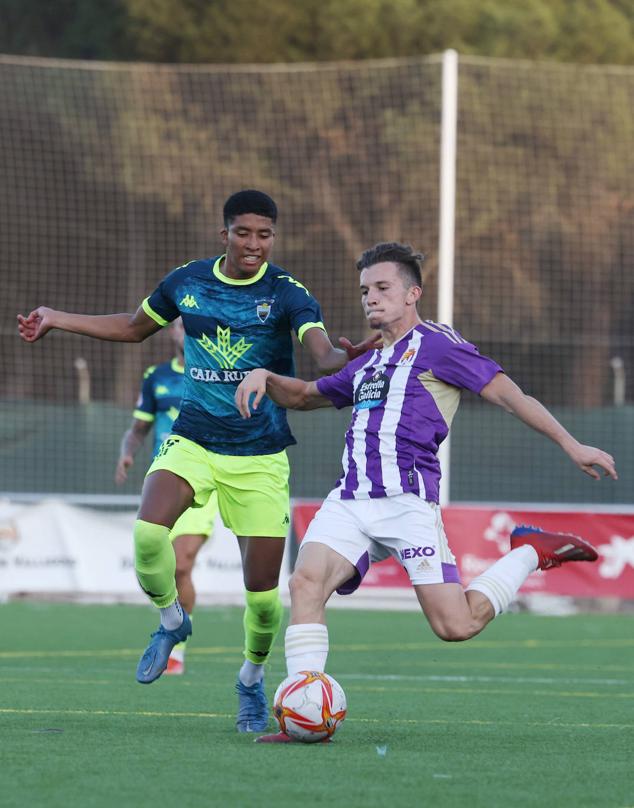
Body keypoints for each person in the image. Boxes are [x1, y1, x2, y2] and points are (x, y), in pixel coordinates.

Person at [17, 189, 378, 733]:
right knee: (146, 536)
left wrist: (344, 358)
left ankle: (252, 681)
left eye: (264, 234)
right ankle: (170, 621)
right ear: (224, 234)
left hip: (260, 457)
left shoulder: (287, 293)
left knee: (262, 605)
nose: (254, 244)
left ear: (272, 238)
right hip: (194, 442)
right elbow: (133, 326)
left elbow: (321, 351)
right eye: (243, 232)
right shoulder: (187, 282)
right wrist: (56, 318)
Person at [234, 241, 618, 743]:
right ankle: (302, 713)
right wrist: (266, 376)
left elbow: (509, 395)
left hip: (407, 504)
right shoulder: (369, 361)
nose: (371, 298)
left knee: (454, 625)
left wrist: (571, 444)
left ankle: (528, 552)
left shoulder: (438, 344)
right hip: (349, 500)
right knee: (305, 584)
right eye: (365, 290)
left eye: (383, 288)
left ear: (413, 292)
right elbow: (308, 395)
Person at [115, 318, 218, 675]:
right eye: (179, 326)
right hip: (166, 481)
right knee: (162, 568)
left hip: (205, 480)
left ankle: (178, 646)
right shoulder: (156, 376)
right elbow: (139, 427)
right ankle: (173, 625)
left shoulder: (219, 373)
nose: (185, 331)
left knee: (182, 563)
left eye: (192, 326)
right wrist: (127, 451)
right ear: (172, 332)